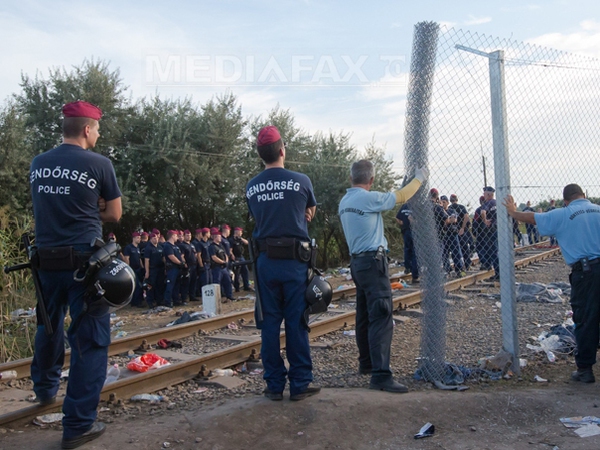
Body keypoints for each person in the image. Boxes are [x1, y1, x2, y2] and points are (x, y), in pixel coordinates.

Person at [29, 101, 121, 448]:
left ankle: (44, 389)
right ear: (86, 129)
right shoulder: (98, 163)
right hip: (85, 263)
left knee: (48, 324)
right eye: (97, 129)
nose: (98, 134)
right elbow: (114, 213)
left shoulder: (39, 163)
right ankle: (79, 424)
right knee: (90, 339)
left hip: (46, 259)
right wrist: (93, 205)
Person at [339, 160, 427, 393]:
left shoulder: (345, 201)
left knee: (365, 315)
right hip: (373, 262)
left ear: (351, 178)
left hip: (357, 263)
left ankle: (366, 363)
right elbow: (401, 196)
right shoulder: (368, 198)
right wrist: (419, 178)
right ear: (371, 180)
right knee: (381, 313)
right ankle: (380, 375)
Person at [246, 125, 320, 401]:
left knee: (269, 323)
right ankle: (300, 383)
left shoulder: (252, 185)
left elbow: (259, 215)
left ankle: (273, 385)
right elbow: (309, 212)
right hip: (294, 262)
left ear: (261, 154)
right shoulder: (301, 180)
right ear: (282, 150)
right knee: (296, 322)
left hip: (265, 262)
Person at [503, 185, 600, 383]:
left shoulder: (564, 214)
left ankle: (585, 370)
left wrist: (513, 212)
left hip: (586, 274)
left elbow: (533, 218)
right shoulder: (598, 209)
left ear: (565, 200)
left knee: (586, 320)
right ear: (585, 196)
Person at [440, 194, 465, 277]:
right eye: (441, 202)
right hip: (444, 235)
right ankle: (447, 270)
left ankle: (459, 269)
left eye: (444, 202)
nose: (442, 204)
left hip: (452, 234)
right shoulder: (439, 211)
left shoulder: (451, 210)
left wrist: (446, 221)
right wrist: (447, 221)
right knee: (444, 254)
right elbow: (444, 222)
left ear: (447, 202)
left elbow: (453, 220)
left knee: (456, 253)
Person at [448, 194, 473, 271]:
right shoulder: (461, 207)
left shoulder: (449, 208)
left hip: (453, 230)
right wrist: (462, 227)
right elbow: (466, 216)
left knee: (455, 250)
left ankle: (458, 266)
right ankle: (467, 265)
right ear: (457, 199)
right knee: (464, 248)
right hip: (462, 230)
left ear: (450, 200)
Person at [395, 203, 419, 283]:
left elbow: (397, 218)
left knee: (407, 249)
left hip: (406, 231)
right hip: (414, 231)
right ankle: (415, 275)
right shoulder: (416, 206)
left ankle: (407, 267)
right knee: (415, 252)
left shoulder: (404, 206)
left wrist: (402, 223)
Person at [209, 229, 234, 302]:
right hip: (217, 267)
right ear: (215, 237)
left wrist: (226, 261)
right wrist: (222, 262)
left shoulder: (221, 246)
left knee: (228, 281)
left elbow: (225, 254)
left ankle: (229, 296)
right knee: (217, 283)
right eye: (219, 236)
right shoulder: (212, 247)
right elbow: (213, 257)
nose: (220, 238)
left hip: (224, 268)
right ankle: (217, 298)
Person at [480, 186, 499, 281]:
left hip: (492, 230)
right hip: (499, 229)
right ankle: (501, 272)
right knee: (499, 251)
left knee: (493, 252)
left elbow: (483, 212)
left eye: (484, 193)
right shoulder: (497, 202)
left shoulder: (488, 203)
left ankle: (498, 273)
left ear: (488, 194)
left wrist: (485, 220)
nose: (483, 195)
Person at [163, 230, 186, 307]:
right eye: (176, 235)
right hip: (172, 268)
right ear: (172, 236)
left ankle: (176, 300)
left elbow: (180, 256)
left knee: (177, 285)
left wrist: (183, 263)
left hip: (177, 268)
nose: (177, 237)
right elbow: (171, 257)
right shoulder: (167, 246)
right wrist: (180, 263)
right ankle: (168, 302)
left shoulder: (175, 246)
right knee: (170, 285)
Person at [122, 232, 144, 307]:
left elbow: (139, 258)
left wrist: (142, 267)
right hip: (132, 269)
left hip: (138, 269)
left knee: (140, 285)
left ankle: (139, 301)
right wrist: (128, 269)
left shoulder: (137, 248)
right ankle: (135, 302)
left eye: (140, 238)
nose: (139, 239)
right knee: (137, 286)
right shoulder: (129, 247)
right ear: (133, 238)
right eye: (138, 238)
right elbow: (126, 258)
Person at [144, 232, 165, 308]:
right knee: (150, 286)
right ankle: (150, 301)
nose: (155, 239)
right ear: (150, 239)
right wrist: (147, 271)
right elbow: (147, 260)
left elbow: (163, 258)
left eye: (156, 238)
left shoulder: (160, 247)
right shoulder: (148, 248)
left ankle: (159, 300)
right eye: (154, 238)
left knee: (159, 285)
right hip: (152, 269)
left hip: (160, 268)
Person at [230, 227, 253, 292]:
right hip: (236, 257)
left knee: (245, 271)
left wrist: (241, 238)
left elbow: (247, 243)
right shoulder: (232, 240)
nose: (241, 233)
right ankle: (237, 287)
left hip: (241, 257)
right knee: (237, 273)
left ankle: (246, 285)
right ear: (237, 232)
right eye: (240, 232)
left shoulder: (239, 239)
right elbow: (230, 250)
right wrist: (232, 256)